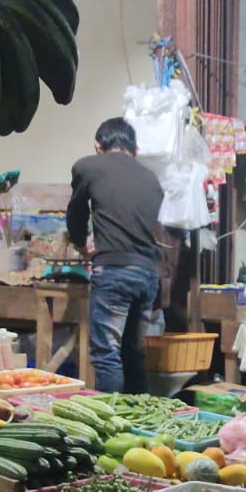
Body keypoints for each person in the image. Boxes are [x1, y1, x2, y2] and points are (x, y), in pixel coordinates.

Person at [66, 118, 167, 393]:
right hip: (148, 275)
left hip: (115, 271)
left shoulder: (88, 166)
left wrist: (80, 242)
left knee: (106, 353)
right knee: (132, 353)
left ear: (98, 145)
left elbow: (76, 213)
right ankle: (140, 414)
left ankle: (110, 416)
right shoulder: (152, 179)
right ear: (134, 149)